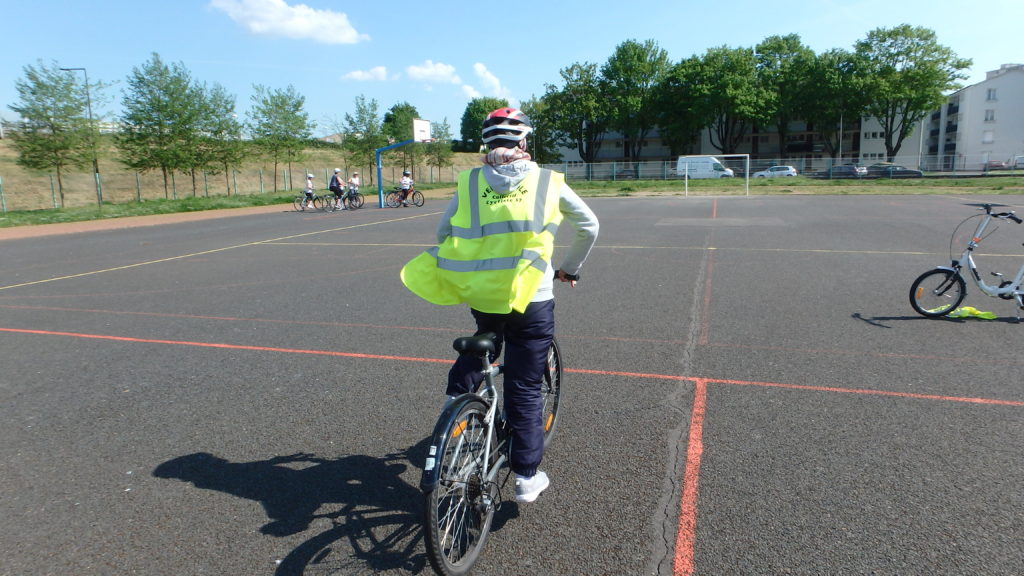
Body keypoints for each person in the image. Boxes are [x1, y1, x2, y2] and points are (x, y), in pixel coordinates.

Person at [400, 107, 599, 503]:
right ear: (523, 141)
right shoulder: (546, 181)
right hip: (531, 296)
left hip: (484, 293)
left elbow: (444, 232)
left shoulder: (471, 181)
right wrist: (568, 268)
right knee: (524, 386)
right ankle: (527, 477)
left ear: (487, 143)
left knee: (485, 341)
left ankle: (456, 402)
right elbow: (589, 226)